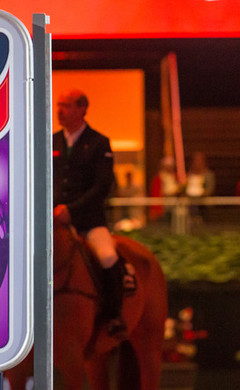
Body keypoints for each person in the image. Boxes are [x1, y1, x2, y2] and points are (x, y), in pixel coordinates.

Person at [53, 88, 130, 336]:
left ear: (82, 109)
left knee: (107, 256)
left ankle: (113, 314)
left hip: (88, 221)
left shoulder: (99, 142)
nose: (60, 111)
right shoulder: (51, 140)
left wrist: (71, 211)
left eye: (66, 105)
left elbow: (102, 187)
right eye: (59, 105)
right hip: (53, 221)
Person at [148, 156, 181, 221]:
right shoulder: (158, 179)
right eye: (167, 166)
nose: (169, 168)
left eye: (170, 166)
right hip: (162, 206)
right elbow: (155, 194)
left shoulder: (176, 177)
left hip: (174, 205)